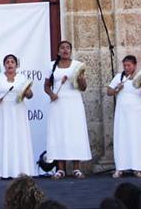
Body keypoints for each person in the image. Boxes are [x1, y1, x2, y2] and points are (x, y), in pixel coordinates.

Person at [43, 41, 90, 179]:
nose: (65, 50)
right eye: (62, 48)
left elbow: (83, 87)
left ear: (71, 50)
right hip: (58, 104)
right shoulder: (51, 65)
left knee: (74, 132)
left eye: (68, 48)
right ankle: (61, 168)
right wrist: (51, 94)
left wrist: (81, 79)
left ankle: (76, 168)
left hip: (73, 103)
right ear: (58, 51)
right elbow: (46, 86)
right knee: (59, 133)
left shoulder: (77, 65)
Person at [0, 54, 35, 179]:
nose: (10, 64)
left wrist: (28, 92)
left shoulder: (22, 77)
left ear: (16, 65)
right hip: (2, 110)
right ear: (4, 65)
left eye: (12, 62)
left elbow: (30, 95)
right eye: (7, 62)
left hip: (18, 110)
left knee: (18, 137)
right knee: (1, 137)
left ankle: (21, 170)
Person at [105, 55, 141, 178]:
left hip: (137, 114)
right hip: (122, 114)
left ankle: (138, 168)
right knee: (122, 139)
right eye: (124, 65)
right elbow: (109, 92)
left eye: (129, 65)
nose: (126, 67)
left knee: (137, 140)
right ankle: (120, 167)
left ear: (134, 65)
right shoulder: (119, 77)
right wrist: (117, 89)